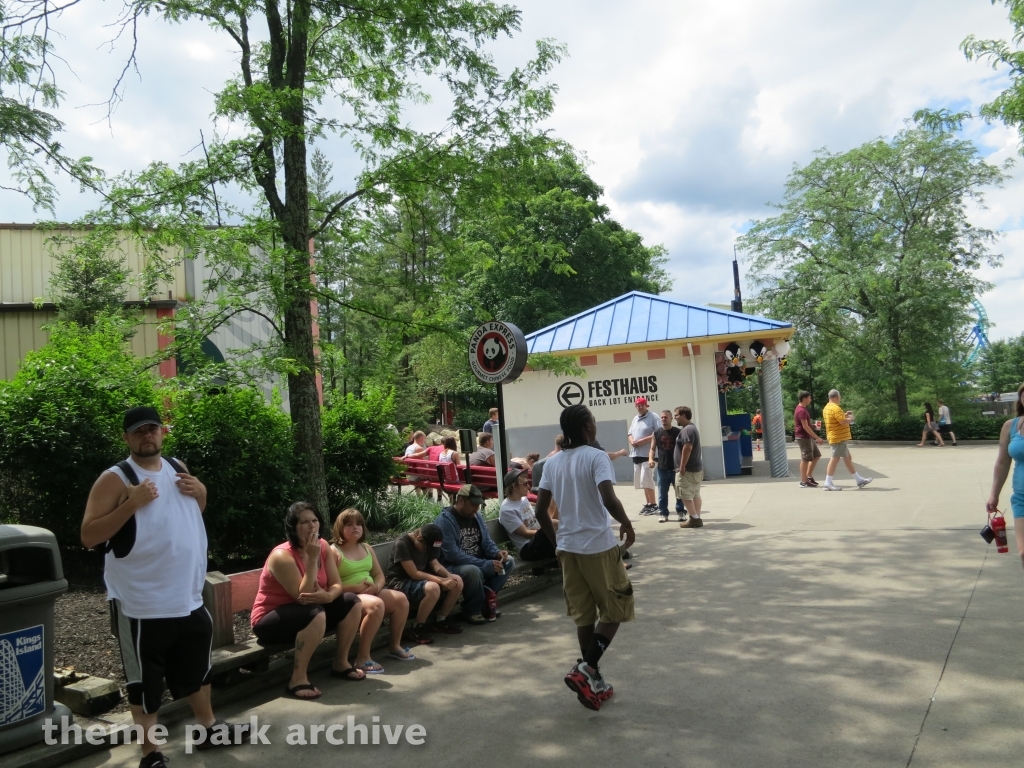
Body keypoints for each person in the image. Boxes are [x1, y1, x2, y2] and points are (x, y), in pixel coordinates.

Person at [81, 406, 250, 768]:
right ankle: (150, 753)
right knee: (145, 684)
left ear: (163, 432)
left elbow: (191, 512)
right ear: (127, 438)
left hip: (187, 598)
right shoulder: (115, 478)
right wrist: (132, 504)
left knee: (197, 671)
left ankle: (207, 728)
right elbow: (89, 535)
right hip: (141, 604)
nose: (147, 436)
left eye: (152, 429)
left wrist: (202, 491)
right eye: (138, 431)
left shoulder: (178, 468)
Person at [534, 404, 635, 711]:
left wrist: (556, 543)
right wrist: (628, 525)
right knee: (617, 609)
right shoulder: (597, 457)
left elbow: (540, 512)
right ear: (588, 428)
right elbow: (608, 497)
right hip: (598, 547)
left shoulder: (552, 464)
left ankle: (594, 683)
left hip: (568, 550)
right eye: (593, 420)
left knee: (584, 616)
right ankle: (585, 670)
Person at [250, 502, 365, 698]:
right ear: (293, 528)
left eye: (315, 521)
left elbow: (336, 584)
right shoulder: (281, 555)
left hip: (311, 609)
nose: (312, 526)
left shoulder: (323, 547)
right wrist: (312, 560)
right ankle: (298, 678)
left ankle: (341, 662)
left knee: (351, 601)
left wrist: (329, 596)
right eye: (304, 522)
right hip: (271, 619)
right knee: (315, 613)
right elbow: (302, 596)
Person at [330, 509, 415, 672]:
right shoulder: (334, 551)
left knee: (401, 599)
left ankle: (395, 646)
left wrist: (376, 586)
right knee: (376, 605)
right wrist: (355, 588)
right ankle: (362, 658)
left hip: (369, 591)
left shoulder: (367, 547)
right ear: (340, 528)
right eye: (349, 524)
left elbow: (378, 575)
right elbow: (329, 584)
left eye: (359, 524)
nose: (355, 527)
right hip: (348, 597)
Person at [434, 484, 513, 623]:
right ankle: (472, 610)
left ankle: (485, 601)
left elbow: (487, 541)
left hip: (478, 560)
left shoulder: (476, 516)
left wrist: (497, 553)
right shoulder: (445, 521)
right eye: (473, 505)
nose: (477, 509)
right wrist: (484, 564)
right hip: (452, 566)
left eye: (479, 505)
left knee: (509, 561)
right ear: (461, 501)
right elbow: (452, 554)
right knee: (473, 571)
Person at [385, 524, 464, 643]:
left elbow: (435, 564)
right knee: (433, 588)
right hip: (400, 583)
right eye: (426, 548)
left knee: (457, 581)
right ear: (418, 537)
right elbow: (413, 573)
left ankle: (441, 620)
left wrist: (448, 576)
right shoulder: (402, 544)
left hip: (420, 580)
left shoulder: (429, 543)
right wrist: (440, 580)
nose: (427, 551)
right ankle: (417, 627)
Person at [987, 382, 1024, 569]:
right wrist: (994, 494)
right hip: (1021, 499)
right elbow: (1002, 462)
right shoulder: (1011, 426)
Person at [499, 467, 557, 561]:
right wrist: (548, 528)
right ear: (515, 486)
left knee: (563, 524)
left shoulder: (523, 499)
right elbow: (525, 533)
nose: (529, 486)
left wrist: (559, 523)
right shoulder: (507, 510)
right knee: (552, 532)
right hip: (528, 549)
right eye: (525, 483)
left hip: (540, 540)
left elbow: (537, 521)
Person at [822, 389, 873, 491]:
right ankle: (827, 482)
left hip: (835, 436)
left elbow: (836, 419)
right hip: (838, 438)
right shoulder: (836, 408)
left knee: (847, 458)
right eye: (839, 397)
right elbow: (842, 422)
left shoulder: (827, 407)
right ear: (837, 397)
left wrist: (844, 415)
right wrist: (851, 419)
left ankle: (859, 479)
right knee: (835, 458)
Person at [648, 409, 683, 523]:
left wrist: (683, 465)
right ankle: (663, 513)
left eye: (666, 417)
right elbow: (652, 448)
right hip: (662, 467)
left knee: (679, 492)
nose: (663, 419)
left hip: (676, 467)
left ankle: (681, 512)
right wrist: (651, 459)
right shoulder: (656, 433)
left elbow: (684, 449)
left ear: (671, 418)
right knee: (662, 493)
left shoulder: (678, 432)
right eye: (662, 417)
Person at [627, 396, 660, 515]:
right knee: (641, 482)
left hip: (649, 454)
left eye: (642, 405)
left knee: (646, 479)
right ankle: (648, 503)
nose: (640, 407)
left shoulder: (653, 417)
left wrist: (644, 440)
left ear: (646, 405)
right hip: (637, 454)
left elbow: (658, 432)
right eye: (638, 405)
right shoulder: (635, 418)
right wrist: (631, 440)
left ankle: (654, 505)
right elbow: (630, 432)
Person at [674, 406, 705, 529]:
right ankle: (696, 517)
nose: (675, 417)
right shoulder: (692, 428)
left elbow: (687, 448)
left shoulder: (687, 430)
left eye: (676, 415)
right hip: (695, 468)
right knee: (695, 493)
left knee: (686, 494)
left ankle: (694, 518)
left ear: (683, 415)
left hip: (688, 470)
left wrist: (682, 466)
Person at [794, 391, 825, 487]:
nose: (811, 400)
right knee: (805, 458)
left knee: (816, 455)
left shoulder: (803, 409)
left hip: (808, 436)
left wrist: (813, 426)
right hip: (804, 437)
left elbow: (807, 425)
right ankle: (803, 481)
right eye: (809, 398)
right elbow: (805, 427)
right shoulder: (801, 410)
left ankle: (808, 476)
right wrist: (817, 438)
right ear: (804, 398)